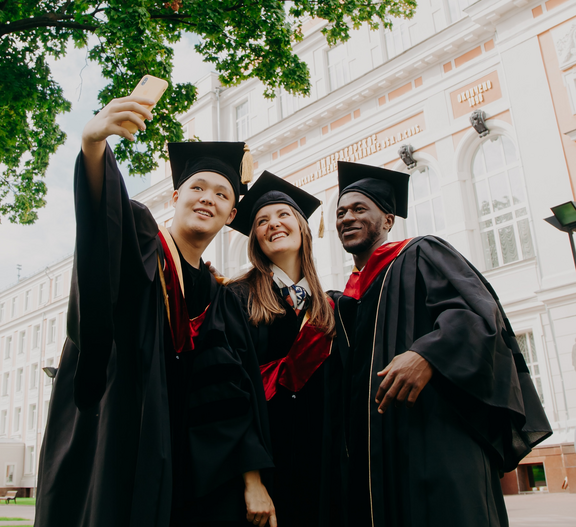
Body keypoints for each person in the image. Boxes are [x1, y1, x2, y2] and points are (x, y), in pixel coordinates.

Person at [35, 95, 276, 527]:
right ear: (176, 194)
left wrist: (251, 479)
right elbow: (100, 226)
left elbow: (232, 396)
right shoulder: (141, 239)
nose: (208, 198)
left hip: (183, 464)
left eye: (221, 193)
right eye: (198, 188)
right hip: (116, 432)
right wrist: (93, 148)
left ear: (231, 212)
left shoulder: (220, 299)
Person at [330, 160, 552, 527]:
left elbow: (477, 315)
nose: (347, 218)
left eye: (358, 209)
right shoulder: (349, 300)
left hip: (437, 440)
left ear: (387, 221)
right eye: (341, 212)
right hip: (381, 456)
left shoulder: (421, 253)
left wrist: (427, 354)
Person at [227, 171, 342, 527]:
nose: (273, 224)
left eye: (283, 215)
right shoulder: (237, 299)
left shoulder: (329, 309)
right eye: (262, 220)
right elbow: (228, 393)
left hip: (325, 472)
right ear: (254, 237)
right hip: (266, 473)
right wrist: (252, 479)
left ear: (303, 227)